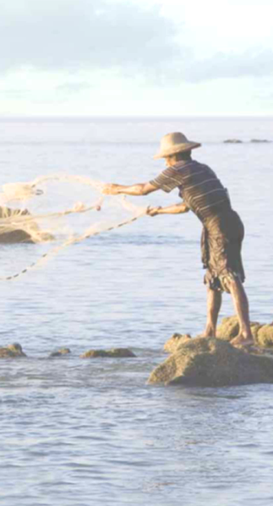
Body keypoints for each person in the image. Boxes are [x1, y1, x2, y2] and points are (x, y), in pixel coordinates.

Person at [102, 132, 253, 347]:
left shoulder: (178, 170)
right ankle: (210, 330)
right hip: (222, 223)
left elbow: (143, 189)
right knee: (213, 279)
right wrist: (160, 211)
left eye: (166, 157)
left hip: (219, 226)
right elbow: (185, 207)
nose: (165, 161)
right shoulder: (201, 169)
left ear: (174, 155)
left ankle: (246, 334)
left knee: (229, 276)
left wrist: (116, 188)